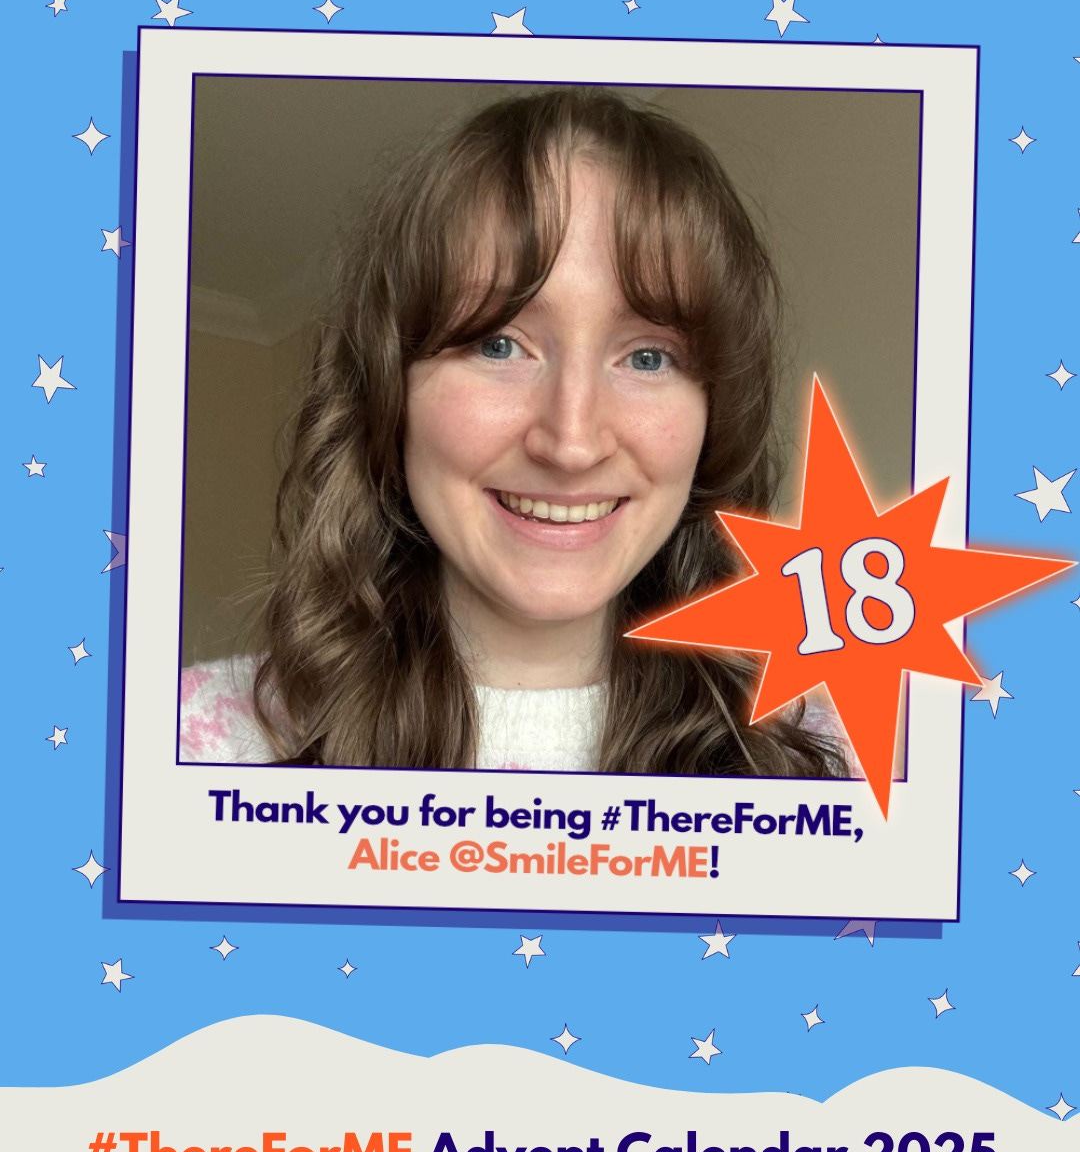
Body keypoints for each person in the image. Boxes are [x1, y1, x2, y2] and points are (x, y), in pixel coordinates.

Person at [180, 85, 850, 777]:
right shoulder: (183, 750)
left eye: (648, 357)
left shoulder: (838, 762)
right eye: (498, 344)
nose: (572, 444)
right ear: (389, 393)